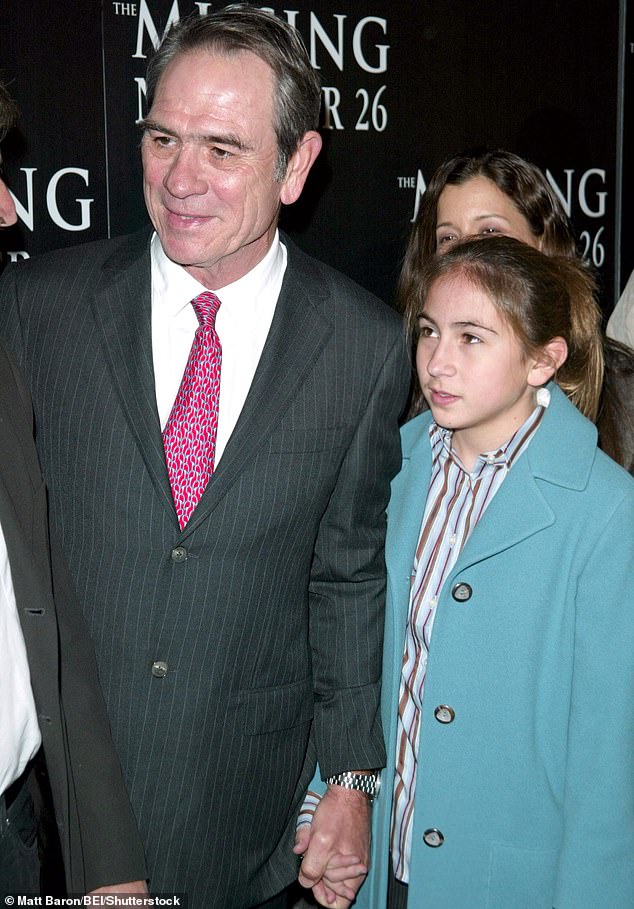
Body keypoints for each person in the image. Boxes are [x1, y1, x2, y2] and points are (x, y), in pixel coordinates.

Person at [0, 7, 409, 908]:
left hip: (243, 818)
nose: (181, 180)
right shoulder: (38, 308)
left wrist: (351, 777)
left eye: (223, 150)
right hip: (53, 822)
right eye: (163, 138)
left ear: (297, 165)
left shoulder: (364, 346)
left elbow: (346, 575)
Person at [308, 235, 634, 908]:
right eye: (429, 331)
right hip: (382, 868)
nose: (437, 361)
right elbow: (358, 653)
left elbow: (609, 770)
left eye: (472, 338)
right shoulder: (393, 464)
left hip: (512, 882)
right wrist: (326, 800)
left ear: (543, 360)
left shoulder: (606, 511)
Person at [0, 81, 147, 896]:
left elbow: (46, 610)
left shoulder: (2, 361)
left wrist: (110, 866)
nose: (9, 208)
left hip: (19, 838)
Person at [396, 147, 634, 474]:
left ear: (543, 244)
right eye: (448, 237)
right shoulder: (406, 386)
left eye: (491, 232)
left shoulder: (622, 393)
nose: (468, 252)